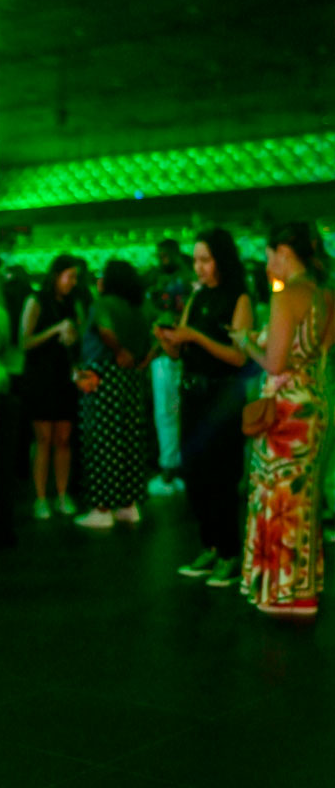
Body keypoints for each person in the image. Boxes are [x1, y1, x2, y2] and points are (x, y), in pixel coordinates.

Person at [231, 223, 334, 615]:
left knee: (275, 495)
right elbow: (318, 351)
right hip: (314, 402)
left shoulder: (286, 297)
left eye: (269, 255)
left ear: (285, 253)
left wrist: (246, 343)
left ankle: (279, 591)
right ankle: (303, 588)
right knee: (304, 497)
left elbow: (274, 363)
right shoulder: (325, 295)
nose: (267, 263)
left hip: (285, 408)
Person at [156, 228, 253, 587]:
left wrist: (196, 336)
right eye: (195, 260)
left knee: (222, 476)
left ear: (221, 260)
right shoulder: (196, 298)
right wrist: (169, 341)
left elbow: (239, 356)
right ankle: (210, 546)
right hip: (193, 394)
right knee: (195, 474)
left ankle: (229, 553)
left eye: (205, 260)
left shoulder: (238, 297)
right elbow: (180, 351)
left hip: (222, 395)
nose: (198, 267)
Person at [75, 260, 151, 528]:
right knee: (129, 440)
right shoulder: (138, 308)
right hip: (130, 378)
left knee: (102, 442)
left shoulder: (103, 304)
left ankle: (102, 507)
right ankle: (128, 504)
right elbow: (150, 340)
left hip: (101, 377)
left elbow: (105, 329)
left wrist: (118, 350)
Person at [19, 253, 81, 519]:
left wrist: (71, 336)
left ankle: (63, 494)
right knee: (43, 438)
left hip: (63, 376)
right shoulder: (36, 300)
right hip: (41, 377)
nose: (73, 282)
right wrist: (56, 330)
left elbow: (77, 338)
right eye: (70, 276)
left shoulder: (71, 303)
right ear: (57, 275)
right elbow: (24, 341)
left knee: (63, 438)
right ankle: (41, 497)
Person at [145, 238, 192, 496]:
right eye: (159, 255)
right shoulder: (162, 277)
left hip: (173, 350)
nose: (161, 259)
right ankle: (171, 466)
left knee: (169, 413)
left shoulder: (183, 279)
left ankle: (170, 469)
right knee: (168, 413)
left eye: (165, 255)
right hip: (165, 349)